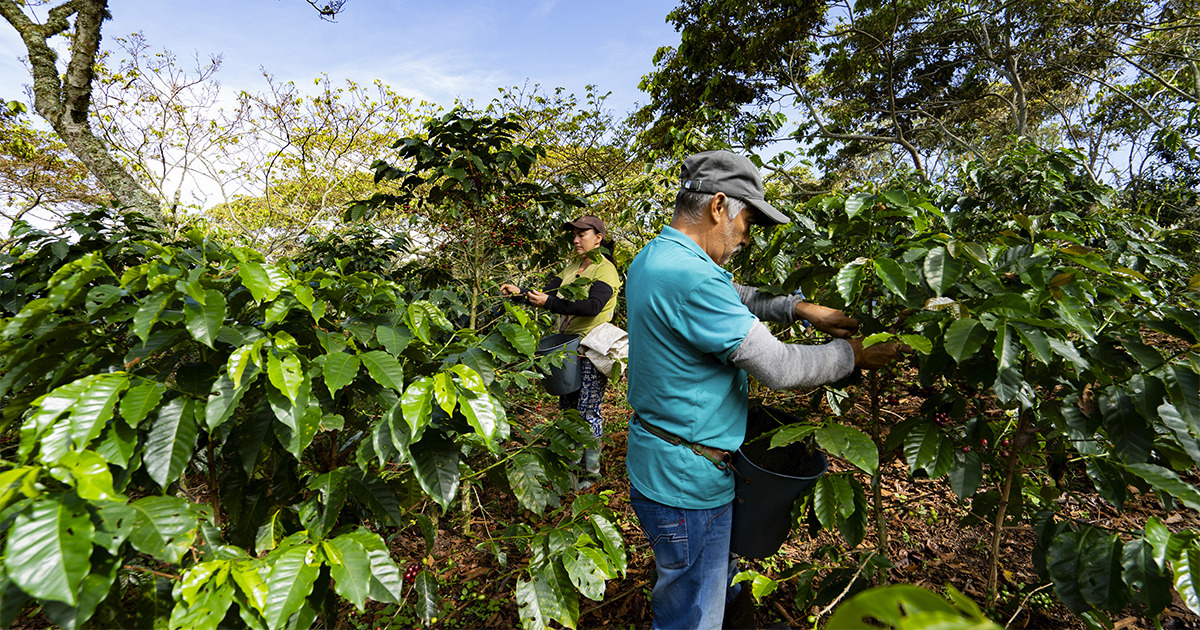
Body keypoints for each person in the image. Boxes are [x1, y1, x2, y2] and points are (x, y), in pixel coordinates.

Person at [625, 150, 899, 630]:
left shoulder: (657, 256)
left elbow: (734, 294)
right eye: (748, 221)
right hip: (686, 481)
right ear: (718, 206)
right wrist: (854, 355)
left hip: (665, 458)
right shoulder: (687, 276)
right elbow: (779, 367)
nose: (748, 237)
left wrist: (800, 308)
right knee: (692, 612)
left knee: (703, 585)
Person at [501, 215, 622, 486]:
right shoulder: (571, 268)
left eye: (583, 234)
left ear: (598, 238)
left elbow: (592, 307)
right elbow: (545, 294)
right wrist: (519, 293)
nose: (576, 240)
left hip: (592, 347)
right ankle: (571, 469)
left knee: (587, 410)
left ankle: (590, 474)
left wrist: (551, 303)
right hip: (566, 347)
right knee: (568, 409)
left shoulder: (604, 270)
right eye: (574, 235)